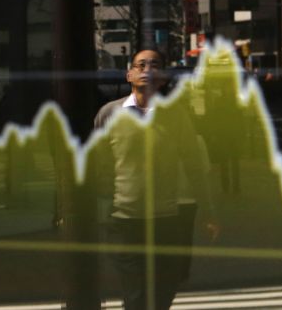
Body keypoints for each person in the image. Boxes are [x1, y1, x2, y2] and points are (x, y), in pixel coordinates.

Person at [94, 49, 219, 309]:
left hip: (166, 220)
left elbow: (194, 165)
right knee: (136, 294)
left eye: (155, 65)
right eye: (141, 65)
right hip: (124, 220)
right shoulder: (109, 114)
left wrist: (207, 210)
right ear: (129, 75)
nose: (147, 69)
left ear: (162, 77)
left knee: (164, 291)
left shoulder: (176, 116)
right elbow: (95, 164)